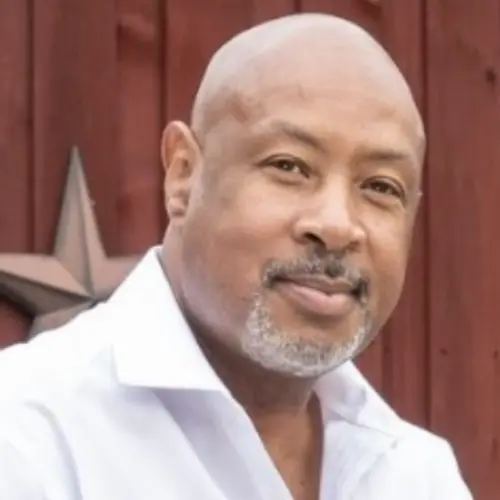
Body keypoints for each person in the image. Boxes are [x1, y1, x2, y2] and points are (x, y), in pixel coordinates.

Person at [0, 13, 472, 500]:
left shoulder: (416, 475)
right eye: (289, 166)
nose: (336, 225)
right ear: (183, 174)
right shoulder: (28, 434)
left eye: (380, 186)